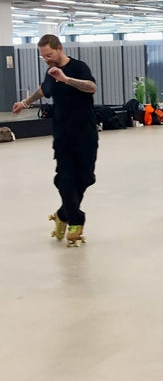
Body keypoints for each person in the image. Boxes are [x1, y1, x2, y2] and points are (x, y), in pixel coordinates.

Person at [12, 34, 98, 247]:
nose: (47, 60)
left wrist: (66, 79)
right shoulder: (49, 72)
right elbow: (43, 89)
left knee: (86, 177)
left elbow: (91, 87)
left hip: (85, 131)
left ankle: (62, 214)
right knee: (65, 177)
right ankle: (76, 221)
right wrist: (25, 102)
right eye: (43, 57)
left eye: (49, 55)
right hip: (62, 133)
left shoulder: (78, 67)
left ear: (59, 48)